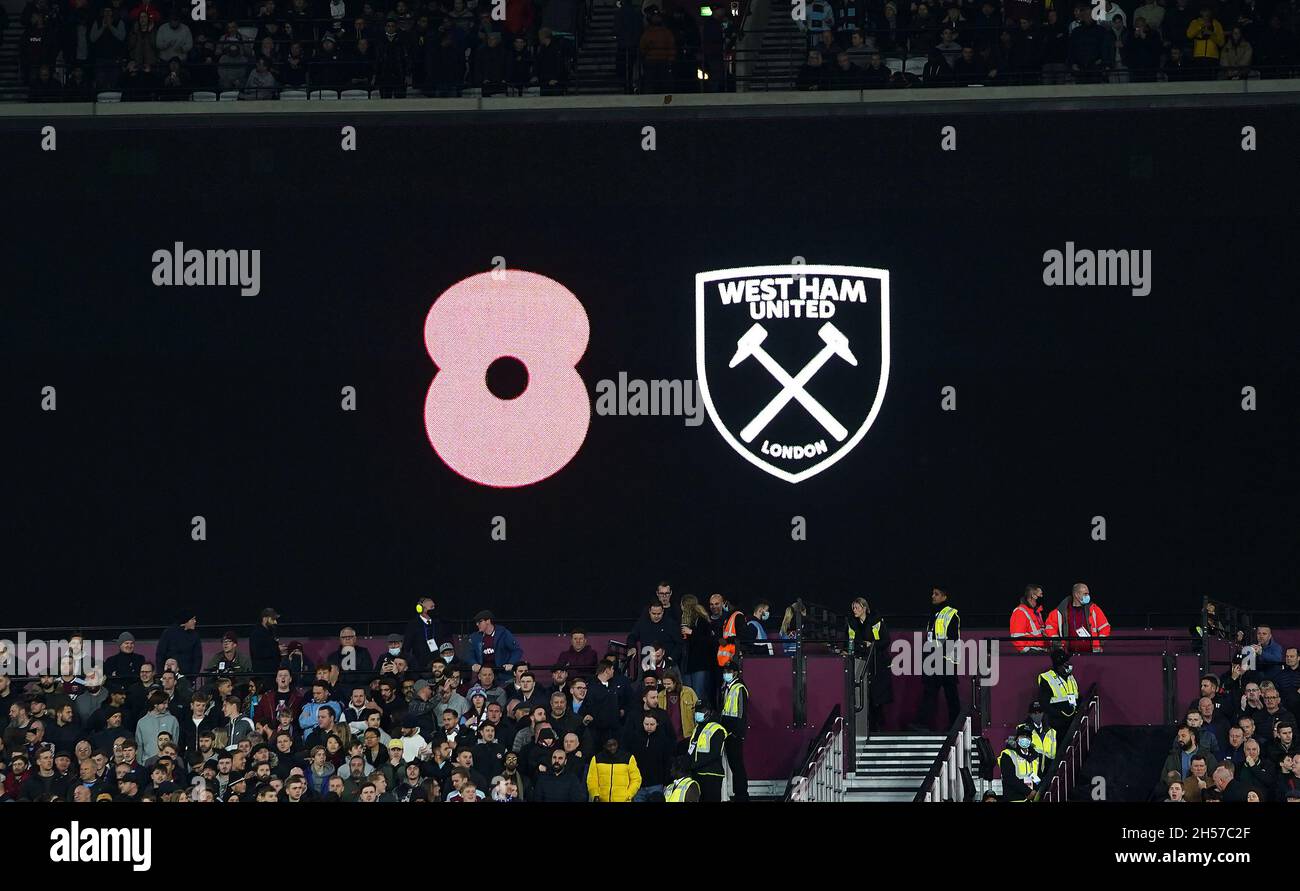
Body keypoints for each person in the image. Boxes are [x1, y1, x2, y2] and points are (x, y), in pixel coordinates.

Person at [912, 587, 960, 730]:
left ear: (945, 596)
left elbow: (952, 638)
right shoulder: (935, 613)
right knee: (932, 692)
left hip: (945, 659)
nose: (933, 596)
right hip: (934, 658)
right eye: (933, 593)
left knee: (949, 694)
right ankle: (922, 723)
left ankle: (955, 724)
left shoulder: (951, 614)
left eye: (936, 594)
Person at [847, 597, 893, 728]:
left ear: (864, 608)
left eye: (857, 607)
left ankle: (879, 727)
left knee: (877, 698)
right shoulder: (852, 623)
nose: (854, 610)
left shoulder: (876, 621)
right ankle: (869, 727)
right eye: (853, 608)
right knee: (864, 696)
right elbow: (850, 641)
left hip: (877, 662)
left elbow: (885, 640)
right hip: (861, 662)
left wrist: (871, 645)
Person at [1044, 582, 1111, 654]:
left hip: (1092, 654)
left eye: (1088, 594)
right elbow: (1049, 627)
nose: (1088, 596)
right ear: (1076, 594)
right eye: (1085, 594)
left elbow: (1105, 627)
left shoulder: (1094, 609)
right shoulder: (1060, 611)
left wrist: (1099, 642)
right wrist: (1057, 644)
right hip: (1068, 655)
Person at [719, 659, 749, 801]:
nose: (726, 674)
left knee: (737, 764)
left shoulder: (739, 688)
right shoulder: (725, 686)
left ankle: (742, 794)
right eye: (725, 671)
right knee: (732, 764)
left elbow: (742, 712)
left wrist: (738, 733)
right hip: (726, 730)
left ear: (736, 673)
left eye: (729, 672)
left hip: (734, 732)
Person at [468, 611, 523, 686]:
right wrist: (473, 663)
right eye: (476, 622)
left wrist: (511, 663)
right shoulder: (475, 637)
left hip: (503, 675)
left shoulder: (504, 634)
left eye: (479, 622)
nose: (477, 624)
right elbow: (469, 653)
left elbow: (517, 651)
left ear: (488, 621)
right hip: (484, 677)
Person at [686, 705, 729, 802]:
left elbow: (714, 754)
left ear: (709, 712)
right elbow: (692, 749)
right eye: (696, 711)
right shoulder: (697, 728)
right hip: (697, 774)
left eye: (701, 711)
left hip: (711, 774)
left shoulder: (717, 729)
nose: (698, 713)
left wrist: (694, 765)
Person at [586, 736, 641, 802]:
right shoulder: (596, 759)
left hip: (623, 800)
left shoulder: (628, 758)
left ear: (618, 744)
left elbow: (636, 779)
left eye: (614, 744)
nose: (612, 747)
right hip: (602, 800)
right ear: (604, 746)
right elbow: (591, 779)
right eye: (609, 745)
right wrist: (595, 794)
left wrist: (628, 795)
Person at [1038, 649, 1080, 734]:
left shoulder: (1070, 677)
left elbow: (1076, 695)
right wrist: (1059, 714)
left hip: (1072, 720)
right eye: (1066, 663)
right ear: (1059, 665)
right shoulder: (1047, 678)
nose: (1069, 665)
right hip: (1057, 722)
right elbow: (1044, 703)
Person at [999, 724, 1041, 802]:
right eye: (1022, 736)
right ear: (1017, 738)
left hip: (1031, 799)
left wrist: (1036, 791)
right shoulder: (1008, 754)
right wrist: (1029, 792)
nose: (1025, 739)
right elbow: (1009, 778)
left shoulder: (1034, 757)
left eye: (1027, 737)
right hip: (1014, 799)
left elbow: (1035, 777)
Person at [402, 598, 442, 671]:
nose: (434, 609)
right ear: (421, 609)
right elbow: (406, 647)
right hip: (418, 665)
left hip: (436, 664)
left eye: (434, 607)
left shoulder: (438, 624)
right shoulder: (412, 625)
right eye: (431, 607)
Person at [1009, 585, 1048, 652]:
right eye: (1040, 594)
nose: (1042, 596)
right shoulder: (1020, 611)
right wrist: (1028, 650)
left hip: (1040, 650)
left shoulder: (1037, 612)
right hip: (1031, 654)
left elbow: (1039, 633)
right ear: (1033, 596)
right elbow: (1017, 636)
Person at [249, 609, 282, 681]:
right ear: (265, 619)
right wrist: (277, 649)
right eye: (273, 619)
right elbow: (258, 653)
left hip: (273, 673)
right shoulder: (256, 633)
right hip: (263, 675)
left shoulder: (271, 632)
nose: (275, 622)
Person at [1026, 700, 1056, 774]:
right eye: (1034, 713)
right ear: (1030, 714)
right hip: (1031, 770)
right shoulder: (1023, 730)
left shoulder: (1051, 731)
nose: (1037, 715)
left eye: (1040, 712)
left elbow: (1053, 754)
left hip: (1048, 769)